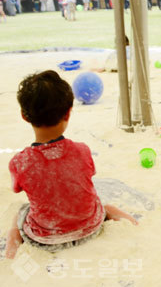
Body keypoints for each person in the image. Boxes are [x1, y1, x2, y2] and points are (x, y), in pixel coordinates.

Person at [4, 71, 137, 259]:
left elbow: (16, 189)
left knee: (19, 214)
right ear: (68, 112)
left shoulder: (19, 162)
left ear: (24, 116)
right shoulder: (82, 150)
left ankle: (11, 252)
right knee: (106, 207)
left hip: (45, 238)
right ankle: (134, 225)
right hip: (90, 228)